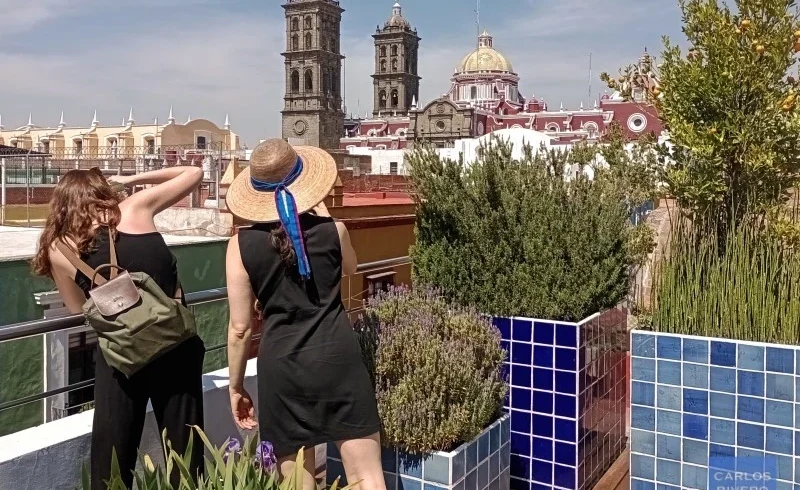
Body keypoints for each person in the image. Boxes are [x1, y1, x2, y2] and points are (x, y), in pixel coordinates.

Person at [225, 139, 386, 490]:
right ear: (304, 183)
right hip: (338, 358)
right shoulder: (334, 230)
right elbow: (351, 267)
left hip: (283, 367)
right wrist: (326, 217)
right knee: (366, 476)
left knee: (298, 482)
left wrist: (236, 387)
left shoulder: (240, 245)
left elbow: (239, 328)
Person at [32, 166, 206, 490]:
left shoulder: (59, 248)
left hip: (121, 356)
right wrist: (129, 181)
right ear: (103, 191)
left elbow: (76, 308)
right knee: (186, 452)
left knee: (112, 457)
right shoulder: (135, 208)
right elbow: (194, 173)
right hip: (175, 346)